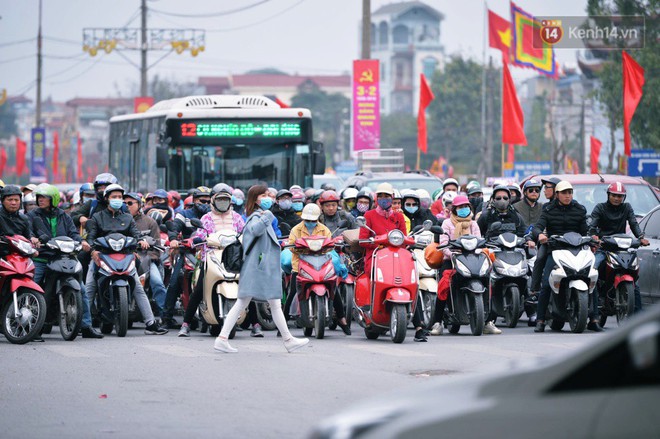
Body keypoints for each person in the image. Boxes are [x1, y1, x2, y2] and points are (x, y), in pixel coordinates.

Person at [214, 184, 309, 353]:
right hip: (257, 269)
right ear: (255, 199)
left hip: (261, 269)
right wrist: (268, 216)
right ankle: (222, 339)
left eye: (268, 195)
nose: (268, 197)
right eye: (264, 195)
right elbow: (254, 230)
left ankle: (288, 339)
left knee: (271, 304)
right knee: (243, 303)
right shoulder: (255, 217)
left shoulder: (260, 215)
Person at [83, 184, 168, 335]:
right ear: (106, 199)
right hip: (101, 256)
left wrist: (140, 243)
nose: (117, 200)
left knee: (138, 287)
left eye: (119, 197)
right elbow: (91, 236)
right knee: (89, 286)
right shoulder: (98, 217)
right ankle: (84, 324)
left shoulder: (127, 218)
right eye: (113, 197)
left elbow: (136, 235)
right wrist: (93, 251)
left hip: (125, 256)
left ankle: (150, 323)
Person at [28, 184, 102, 339]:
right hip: (42, 258)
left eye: (44, 197)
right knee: (32, 287)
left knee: (81, 289)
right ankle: (31, 326)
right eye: (39, 197)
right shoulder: (33, 215)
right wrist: (32, 239)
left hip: (64, 257)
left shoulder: (63, 215)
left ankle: (86, 326)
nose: (40, 200)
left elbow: (73, 233)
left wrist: (81, 242)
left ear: (53, 199)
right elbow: (28, 231)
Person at [359, 183, 427, 342]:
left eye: (387, 196)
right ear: (376, 198)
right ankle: (370, 312)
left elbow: (403, 237)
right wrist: (378, 241)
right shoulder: (369, 216)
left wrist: (411, 240)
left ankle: (419, 326)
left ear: (392, 198)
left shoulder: (398, 217)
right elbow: (363, 239)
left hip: (397, 255)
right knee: (375, 278)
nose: (384, 199)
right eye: (381, 196)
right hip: (376, 256)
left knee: (410, 282)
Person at [178, 185, 245, 337]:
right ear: (213, 200)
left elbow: (245, 233)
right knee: (199, 288)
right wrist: (197, 240)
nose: (222, 202)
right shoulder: (206, 218)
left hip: (234, 258)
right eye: (219, 199)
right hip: (212, 257)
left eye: (225, 199)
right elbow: (200, 235)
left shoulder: (237, 218)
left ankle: (255, 324)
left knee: (247, 287)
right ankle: (186, 324)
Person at [531, 181, 596, 333]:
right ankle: (540, 319)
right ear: (557, 194)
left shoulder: (580, 209)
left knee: (592, 277)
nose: (568, 196)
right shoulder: (548, 209)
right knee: (547, 283)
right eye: (564, 193)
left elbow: (586, 229)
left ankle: (594, 318)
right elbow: (538, 226)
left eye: (570, 193)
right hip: (555, 249)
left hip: (578, 250)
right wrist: (539, 234)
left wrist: (592, 237)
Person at [287, 203, 351, 335]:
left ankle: (342, 319)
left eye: (313, 220)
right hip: (300, 263)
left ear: (317, 219)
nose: (310, 223)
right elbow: (291, 245)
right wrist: (301, 247)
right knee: (292, 292)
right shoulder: (296, 229)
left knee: (334, 289)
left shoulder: (324, 229)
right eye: (308, 220)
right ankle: (284, 320)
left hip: (321, 262)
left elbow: (330, 245)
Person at [589, 182, 650, 314]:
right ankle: (592, 308)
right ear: (608, 195)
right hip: (604, 247)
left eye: (620, 196)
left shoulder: (627, 207)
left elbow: (634, 223)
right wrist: (594, 236)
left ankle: (639, 317)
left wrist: (640, 237)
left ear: (624, 197)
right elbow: (592, 225)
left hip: (621, 249)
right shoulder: (600, 208)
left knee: (634, 279)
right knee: (592, 269)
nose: (617, 198)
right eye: (614, 195)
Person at [124, 192, 168, 318]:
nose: (127, 206)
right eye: (124, 203)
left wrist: (147, 257)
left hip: (147, 260)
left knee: (157, 282)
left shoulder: (150, 222)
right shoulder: (119, 221)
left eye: (130, 203)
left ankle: (163, 314)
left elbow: (157, 247)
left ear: (140, 205)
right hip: (125, 259)